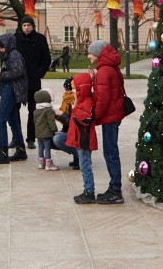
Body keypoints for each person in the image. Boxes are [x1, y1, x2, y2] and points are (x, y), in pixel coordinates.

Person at [87, 39, 127, 205]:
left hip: (110, 116)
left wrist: (94, 115)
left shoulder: (104, 70)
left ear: (97, 53)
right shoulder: (110, 67)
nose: (88, 55)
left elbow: (103, 99)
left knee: (110, 153)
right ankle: (114, 187)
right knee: (111, 151)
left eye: (90, 52)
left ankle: (115, 190)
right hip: (115, 114)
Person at [0, 33, 28, 165]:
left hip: (12, 90)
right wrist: (0, 76)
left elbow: (18, 71)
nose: (0, 49)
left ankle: (3, 152)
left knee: (0, 119)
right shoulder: (7, 56)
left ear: (8, 45)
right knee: (13, 119)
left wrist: (1, 77)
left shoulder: (13, 55)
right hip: (9, 88)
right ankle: (21, 149)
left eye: (2, 46)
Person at [15, 14, 52, 149]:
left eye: (29, 25)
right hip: (18, 81)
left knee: (33, 110)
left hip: (33, 80)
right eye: (24, 25)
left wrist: (39, 73)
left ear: (33, 26)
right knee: (14, 110)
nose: (26, 28)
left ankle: (31, 138)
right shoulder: (16, 39)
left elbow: (46, 59)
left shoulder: (40, 39)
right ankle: (16, 137)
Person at [64, 70, 97, 203]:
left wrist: (75, 112)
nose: (73, 92)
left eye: (75, 89)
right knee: (84, 165)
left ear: (81, 90)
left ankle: (89, 192)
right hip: (80, 139)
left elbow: (86, 119)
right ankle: (87, 190)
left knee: (85, 165)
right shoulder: (81, 102)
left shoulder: (85, 104)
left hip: (84, 140)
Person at [52, 80, 80, 170]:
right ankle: (77, 157)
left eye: (67, 90)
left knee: (57, 140)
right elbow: (67, 123)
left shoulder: (77, 101)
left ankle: (80, 156)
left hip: (77, 134)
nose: (65, 93)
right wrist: (56, 115)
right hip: (69, 131)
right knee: (48, 138)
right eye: (65, 90)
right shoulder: (67, 102)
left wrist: (61, 114)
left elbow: (74, 123)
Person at [32, 89, 59, 169]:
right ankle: (48, 164)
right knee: (47, 147)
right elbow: (51, 122)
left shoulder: (36, 110)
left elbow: (34, 122)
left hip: (38, 133)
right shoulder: (48, 110)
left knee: (40, 147)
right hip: (46, 133)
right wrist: (55, 130)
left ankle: (41, 163)